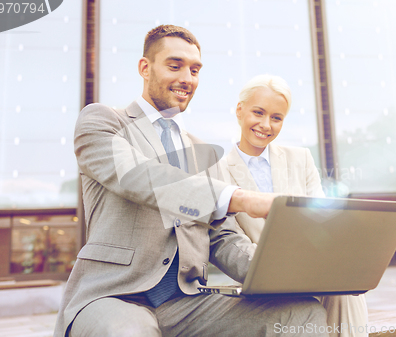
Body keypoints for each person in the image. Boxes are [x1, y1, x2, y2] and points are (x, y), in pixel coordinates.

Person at [54, 25, 329, 337]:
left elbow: (221, 236)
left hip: (186, 303)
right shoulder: (103, 122)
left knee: (301, 313)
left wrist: (293, 269)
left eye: (195, 70)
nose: (187, 78)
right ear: (145, 68)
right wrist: (241, 197)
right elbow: (140, 176)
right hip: (113, 295)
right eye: (175, 66)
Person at [220, 74, 369, 337]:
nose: (266, 125)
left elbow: (324, 220)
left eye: (276, 118)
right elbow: (228, 239)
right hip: (259, 279)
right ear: (240, 110)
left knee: (345, 289)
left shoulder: (300, 158)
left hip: (312, 267)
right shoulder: (217, 171)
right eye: (258, 112)